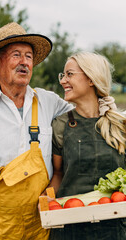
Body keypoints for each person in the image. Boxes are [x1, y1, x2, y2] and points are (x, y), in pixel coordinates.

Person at [0, 22, 73, 240]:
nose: (24, 62)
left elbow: (84, 112)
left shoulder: (49, 101)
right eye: (16, 55)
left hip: (39, 224)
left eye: (29, 57)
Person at [49, 51, 126, 240]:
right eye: (62, 75)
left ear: (91, 79)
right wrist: (48, 201)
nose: (63, 81)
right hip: (69, 227)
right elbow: (58, 174)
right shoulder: (61, 125)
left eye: (70, 74)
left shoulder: (120, 125)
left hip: (115, 227)